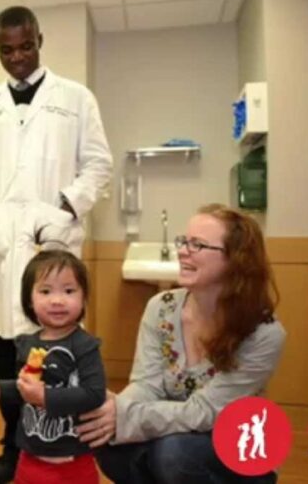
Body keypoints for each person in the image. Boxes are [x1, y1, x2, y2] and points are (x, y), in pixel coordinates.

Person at [0, 5, 113, 484]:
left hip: (51, 248)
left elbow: (98, 164)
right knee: (7, 353)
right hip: (3, 253)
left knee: (58, 359)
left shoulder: (75, 97)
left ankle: (64, 448)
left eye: (26, 46)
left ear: (40, 40)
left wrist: (63, 208)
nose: (17, 57)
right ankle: (14, 449)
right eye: (7, 49)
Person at [76, 203, 287, 484]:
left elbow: (206, 411)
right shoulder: (160, 308)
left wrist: (125, 415)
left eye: (198, 244)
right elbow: (146, 383)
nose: (183, 250)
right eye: (184, 241)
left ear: (236, 259)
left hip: (237, 446)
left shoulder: (263, 333)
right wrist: (114, 413)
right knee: (107, 440)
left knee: (174, 453)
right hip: (172, 433)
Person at [0, 249, 106, 484]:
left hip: (74, 462)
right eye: (45, 291)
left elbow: (94, 394)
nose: (57, 300)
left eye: (69, 291)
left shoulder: (85, 346)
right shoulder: (28, 344)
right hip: (29, 458)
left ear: (83, 298)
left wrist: (44, 396)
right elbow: (25, 390)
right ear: (29, 300)